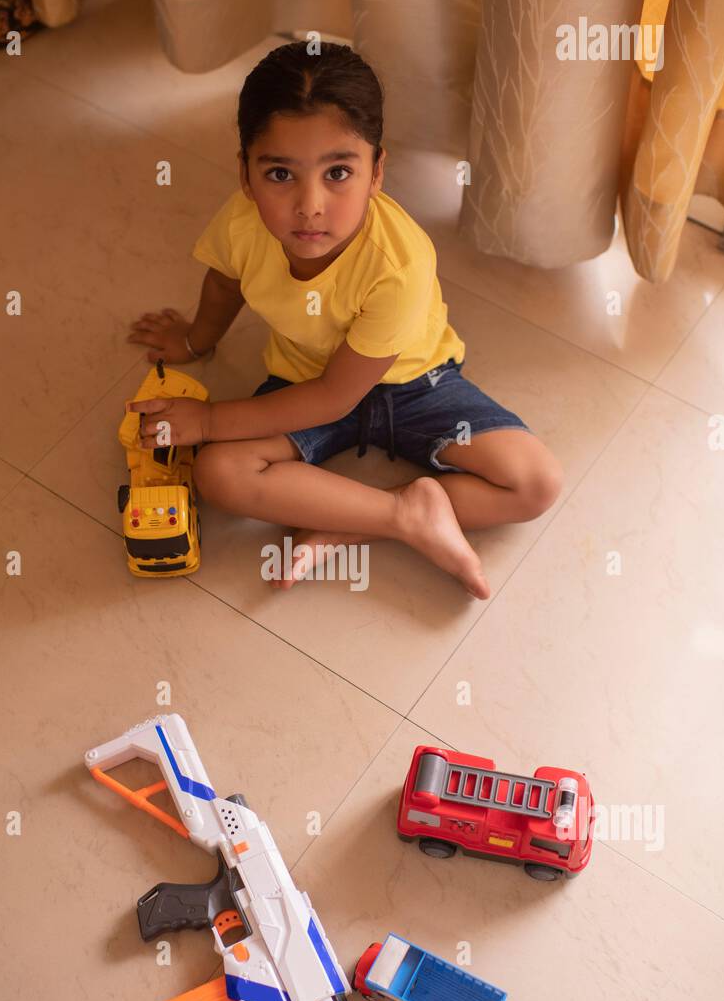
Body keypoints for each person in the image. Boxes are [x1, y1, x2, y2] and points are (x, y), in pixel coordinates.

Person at [127, 40, 563, 595]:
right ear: (245, 174)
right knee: (218, 473)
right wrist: (194, 339)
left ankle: (356, 525)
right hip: (304, 377)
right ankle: (397, 513)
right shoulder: (242, 224)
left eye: (338, 172)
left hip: (415, 383)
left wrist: (209, 420)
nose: (310, 205)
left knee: (536, 483)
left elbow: (338, 397)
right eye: (280, 175)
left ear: (377, 172)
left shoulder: (399, 262)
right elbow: (224, 282)